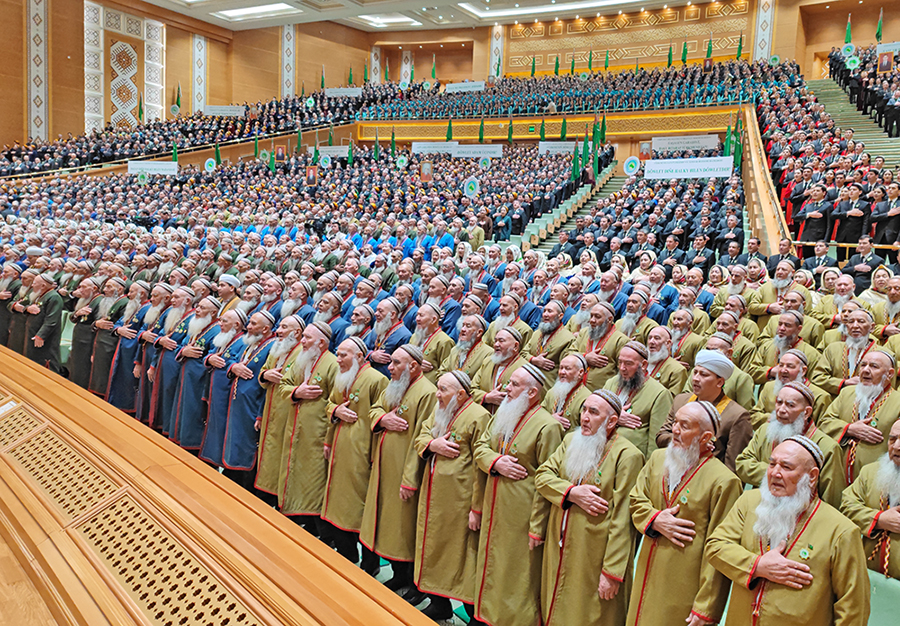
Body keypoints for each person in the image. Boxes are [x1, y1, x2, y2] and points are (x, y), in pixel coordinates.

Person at [706, 437, 871, 625]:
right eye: (772, 464)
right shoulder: (749, 502)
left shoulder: (841, 531)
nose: (775, 473)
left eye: (786, 467)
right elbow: (716, 546)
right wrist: (757, 566)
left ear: (812, 476)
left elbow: (853, 608)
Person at [627, 401, 742, 626]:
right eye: (675, 422)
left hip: (685, 585)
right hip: (645, 575)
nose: (675, 430)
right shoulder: (658, 458)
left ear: (705, 437)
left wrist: (706, 607)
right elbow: (636, 498)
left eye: (685, 425)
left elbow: (720, 548)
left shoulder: (724, 482)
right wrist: (654, 519)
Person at [535, 389, 644, 626]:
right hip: (559, 545)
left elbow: (623, 519)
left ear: (612, 421)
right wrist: (570, 493)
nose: (584, 417)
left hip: (594, 554)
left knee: (589, 614)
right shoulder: (570, 440)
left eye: (593, 412)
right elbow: (543, 476)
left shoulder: (628, 456)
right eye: (584, 409)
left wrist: (612, 572)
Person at [472, 364, 564, 626]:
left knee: (516, 573)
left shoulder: (548, 427)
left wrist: (537, 527)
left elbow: (548, 481)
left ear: (533, 392)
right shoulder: (504, 411)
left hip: (522, 515)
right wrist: (495, 462)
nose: (506, 389)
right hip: (494, 503)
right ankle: (485, 616)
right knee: (491, 564)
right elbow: (480, 446)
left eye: (513, 385)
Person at [411, 371, 490, 621]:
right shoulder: (440, 408)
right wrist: (432, 445)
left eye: (443, 389)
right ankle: (439, 604)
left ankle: (470, 612)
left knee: (460, 558)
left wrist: (476, 508)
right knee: (432, 550)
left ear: (461, 394)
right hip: (433, 493)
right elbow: (421, 435)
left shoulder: (480, 416)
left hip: (460, 500)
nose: (437, 394)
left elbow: (481, 467)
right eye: (438, 388)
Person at [360, 345, 437, 592]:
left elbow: (420, 437)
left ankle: (407, 578)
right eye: (390, 363)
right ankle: (395, 572)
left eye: (395, 363)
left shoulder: (427, 393)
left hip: (404, 470)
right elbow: (375, 409)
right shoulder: (394, 385)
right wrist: (383, 419)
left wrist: (409, 480)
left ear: (413, 366)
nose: (390, 368)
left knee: (402, 526)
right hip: (384, 466)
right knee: (387, 521)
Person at [321, 336, 387, 575]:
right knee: (338, 501)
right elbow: (329, 404)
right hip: (340, 447)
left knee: (361, 508)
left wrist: (373, 456)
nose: (338, 359)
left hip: (362, 453)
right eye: (337, 355)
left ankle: (371, 565)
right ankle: (346, 553)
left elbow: (380, 418)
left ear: (359, 356)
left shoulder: (377, 379)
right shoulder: (342, 376)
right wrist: (335, 412)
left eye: (343, 355)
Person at [737, 382, 846, 507]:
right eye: (779, 402)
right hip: (763, 505)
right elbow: (742, 463)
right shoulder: (764, 431)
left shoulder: (828, 447)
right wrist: (782, 475)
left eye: (790, 405)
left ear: (806, 412)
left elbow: (831, 499)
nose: (781, 410)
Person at [202, 310, 275, 489]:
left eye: (253, 324)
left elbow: (267, 384)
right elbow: (231, 360)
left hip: (252, 406)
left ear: (265, 329)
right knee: (233, 444)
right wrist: (233, 366)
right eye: (249, 323)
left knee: (245, 447)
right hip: (238, 403)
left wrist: (259, 414)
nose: (248, 327)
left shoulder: (271, 347)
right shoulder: (250, 342)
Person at [279, 321, 339, 524]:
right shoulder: (301, 359)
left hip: (317, 433)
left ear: (321, 342)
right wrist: (296, 392)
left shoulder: (332, 364)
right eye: (302, 337)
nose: (302, 341)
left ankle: (311, 523)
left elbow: (335, 401)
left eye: (307, 338)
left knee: (313, 480)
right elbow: (284, 384)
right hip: (294, 427)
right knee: (292, 472)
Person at [657, 349, 752, 472]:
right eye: (695, 372)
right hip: (672, 468)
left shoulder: (736, 416)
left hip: (707, 478)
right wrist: (691, 443)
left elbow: (732, 468)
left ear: (719, 382)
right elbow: (660, 437)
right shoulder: (681, 400)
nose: (696, 378)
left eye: (703, 374)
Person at [818, 350, 900, 483]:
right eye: (863, 365)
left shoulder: (898, 401)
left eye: (874, 366)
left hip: (877, 478)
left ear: (889, 374)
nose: (866, 370)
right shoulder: (846, 393)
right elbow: (824, 422)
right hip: (837, 472)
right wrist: (848, 429)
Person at [840, 419, 900, 579]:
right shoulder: (870, 472)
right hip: (867, 572)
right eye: (893, 439)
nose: (896, 447)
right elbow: (846, 507)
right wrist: (878, 519)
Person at [603, 341, 673, 457]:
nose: (622, 368)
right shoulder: (611, 383)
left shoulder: (660, 394)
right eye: (620, 362)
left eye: (628, 364)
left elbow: (656, 442)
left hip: (630, 458)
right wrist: (614, 417)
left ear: (644, 365)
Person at [169, 295, 221, 451]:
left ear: (213, 312)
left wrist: (201, 356)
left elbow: (214, 357)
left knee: (194, 413)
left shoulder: (217, 330)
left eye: (202, 308)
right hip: (187, 376)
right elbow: (182, 345)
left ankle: (191, 447)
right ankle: (179, 441)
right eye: (197, 306)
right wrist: (184, 350)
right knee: (182, 409)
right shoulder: (196, 326)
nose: (197, 310)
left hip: (199, 381)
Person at [748, 349, 831, 429]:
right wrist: (775, 418)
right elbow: (753, 417)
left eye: (790, 366)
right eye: (781, 365)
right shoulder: (769, 386)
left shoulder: (820, 397)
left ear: (803, 371)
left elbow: (820, 429)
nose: (783, 370)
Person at [574, 301, 628, 391]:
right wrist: (584, 357)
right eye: (591, 316)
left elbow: (624, 372)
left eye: (597, 317)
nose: (592, 320)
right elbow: (567, 353)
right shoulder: (584, 333)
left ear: (609, 319)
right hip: (576, 390)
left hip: (601, 395)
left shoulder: (621, 340)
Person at [471, 327, 529, 409]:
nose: (496, 345)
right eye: (495, 341)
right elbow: (471, 389)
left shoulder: (524, 369)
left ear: (515, 346)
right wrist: (486, 397)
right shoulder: (488, 362)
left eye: (501, 341)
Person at [22, 273, 64, 373]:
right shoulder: (40, 295)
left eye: (34, 283)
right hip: (33, 334)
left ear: (43, 286)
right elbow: (28, 307)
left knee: (43, 363)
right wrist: (27, 309)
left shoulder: (54, 297)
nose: (32, 285)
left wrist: (41, 336)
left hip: (45, 339)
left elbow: (51, 320)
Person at [541, 354, 591, 432]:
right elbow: (538, 416)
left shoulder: (587, 398)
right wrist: (551, 419)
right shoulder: (552, 392)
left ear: (580, 373)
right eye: (561, 368)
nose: (562, 372)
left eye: (567, 369)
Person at [409, 302, 453, 385]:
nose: (417, 319)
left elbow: (446, 372)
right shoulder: (414, 336)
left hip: (429, 387)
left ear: (433, 320)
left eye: (421, 315)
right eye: (417, 315)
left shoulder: (445, 341)